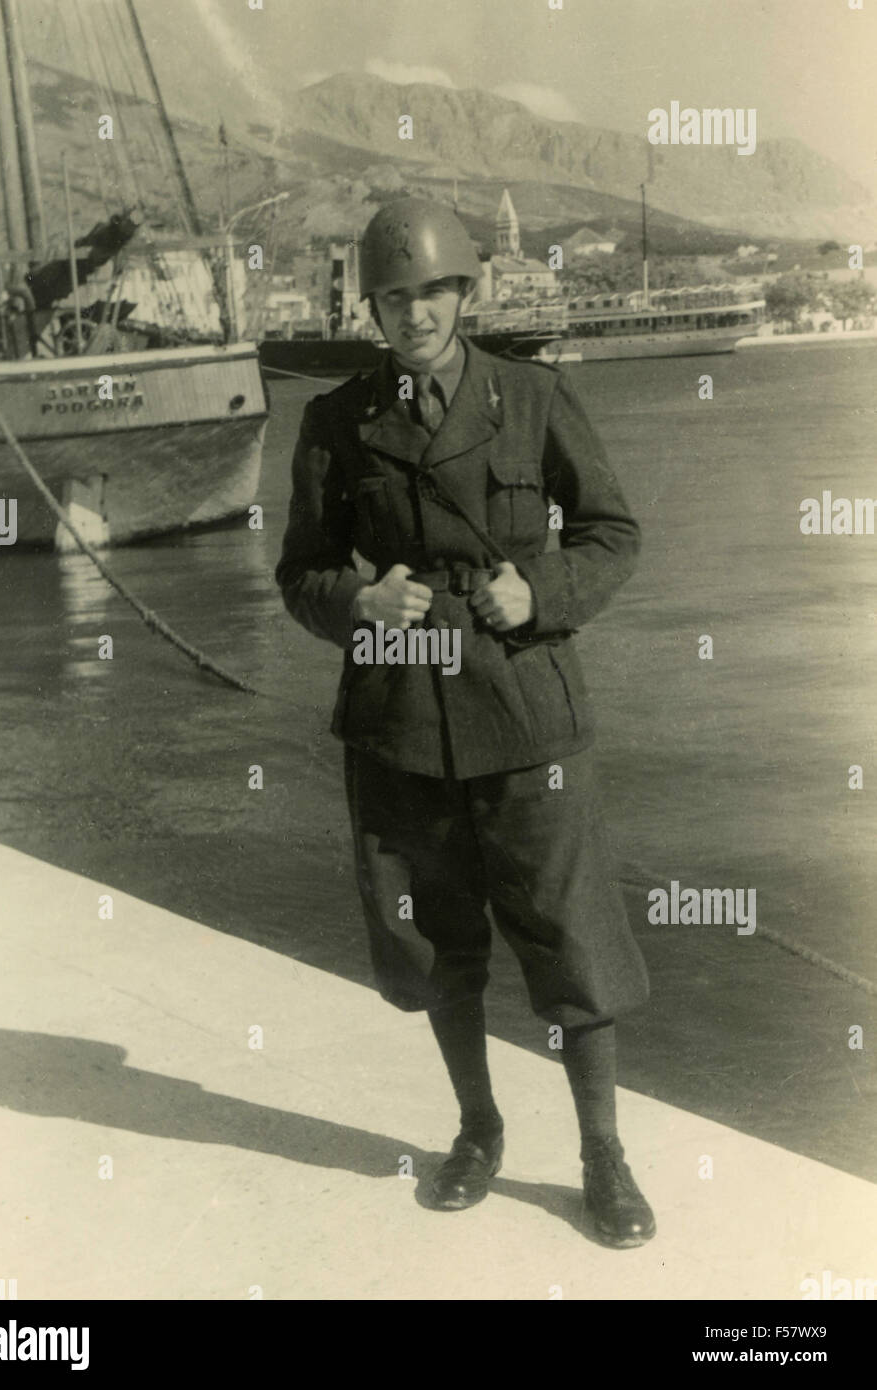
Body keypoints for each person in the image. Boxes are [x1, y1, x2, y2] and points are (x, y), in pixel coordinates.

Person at [276, 196, 655, 1248]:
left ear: (465, 293)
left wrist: (543, 591)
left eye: (431, 293)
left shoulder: (533, 398)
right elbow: (299, 572)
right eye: (392, 299)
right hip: (401, 706)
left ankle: (601, 1154)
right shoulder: (336, 422)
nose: (413, 316)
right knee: (439, 944)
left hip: (526, 705)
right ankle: (478, 1129)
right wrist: (358, 604)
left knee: (571, 941)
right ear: (376, 309)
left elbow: (615, 533)